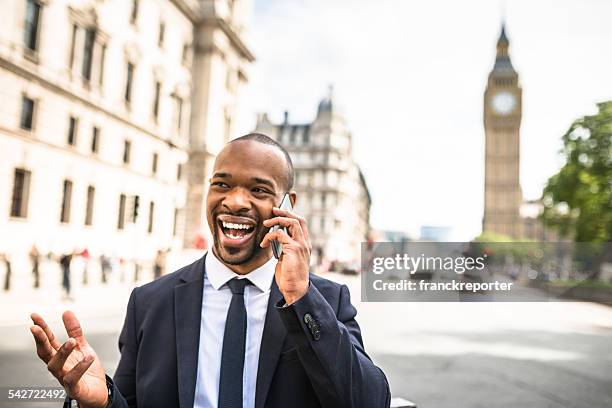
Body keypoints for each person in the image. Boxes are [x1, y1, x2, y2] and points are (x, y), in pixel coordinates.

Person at [29, 133, 391, 408]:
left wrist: (301, 298)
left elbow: (369, 401)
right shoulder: (149, 302)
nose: (234, 201)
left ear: (286, 205)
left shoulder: (324, 300)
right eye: (222, 184)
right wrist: (105, 399)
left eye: (259, 189)